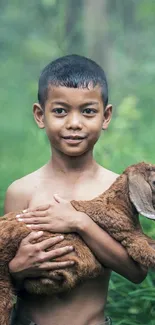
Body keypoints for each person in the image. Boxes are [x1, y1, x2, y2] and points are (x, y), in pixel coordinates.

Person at [4, 54, 147, 325]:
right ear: (40, 115)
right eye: (60, 111)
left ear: (106, 116)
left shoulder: (118, 189)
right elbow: (7, 272)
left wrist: (80, 222)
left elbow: (136, 271)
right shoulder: (21, 191)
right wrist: (17, 269)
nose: (74, 123)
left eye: (88, 111)